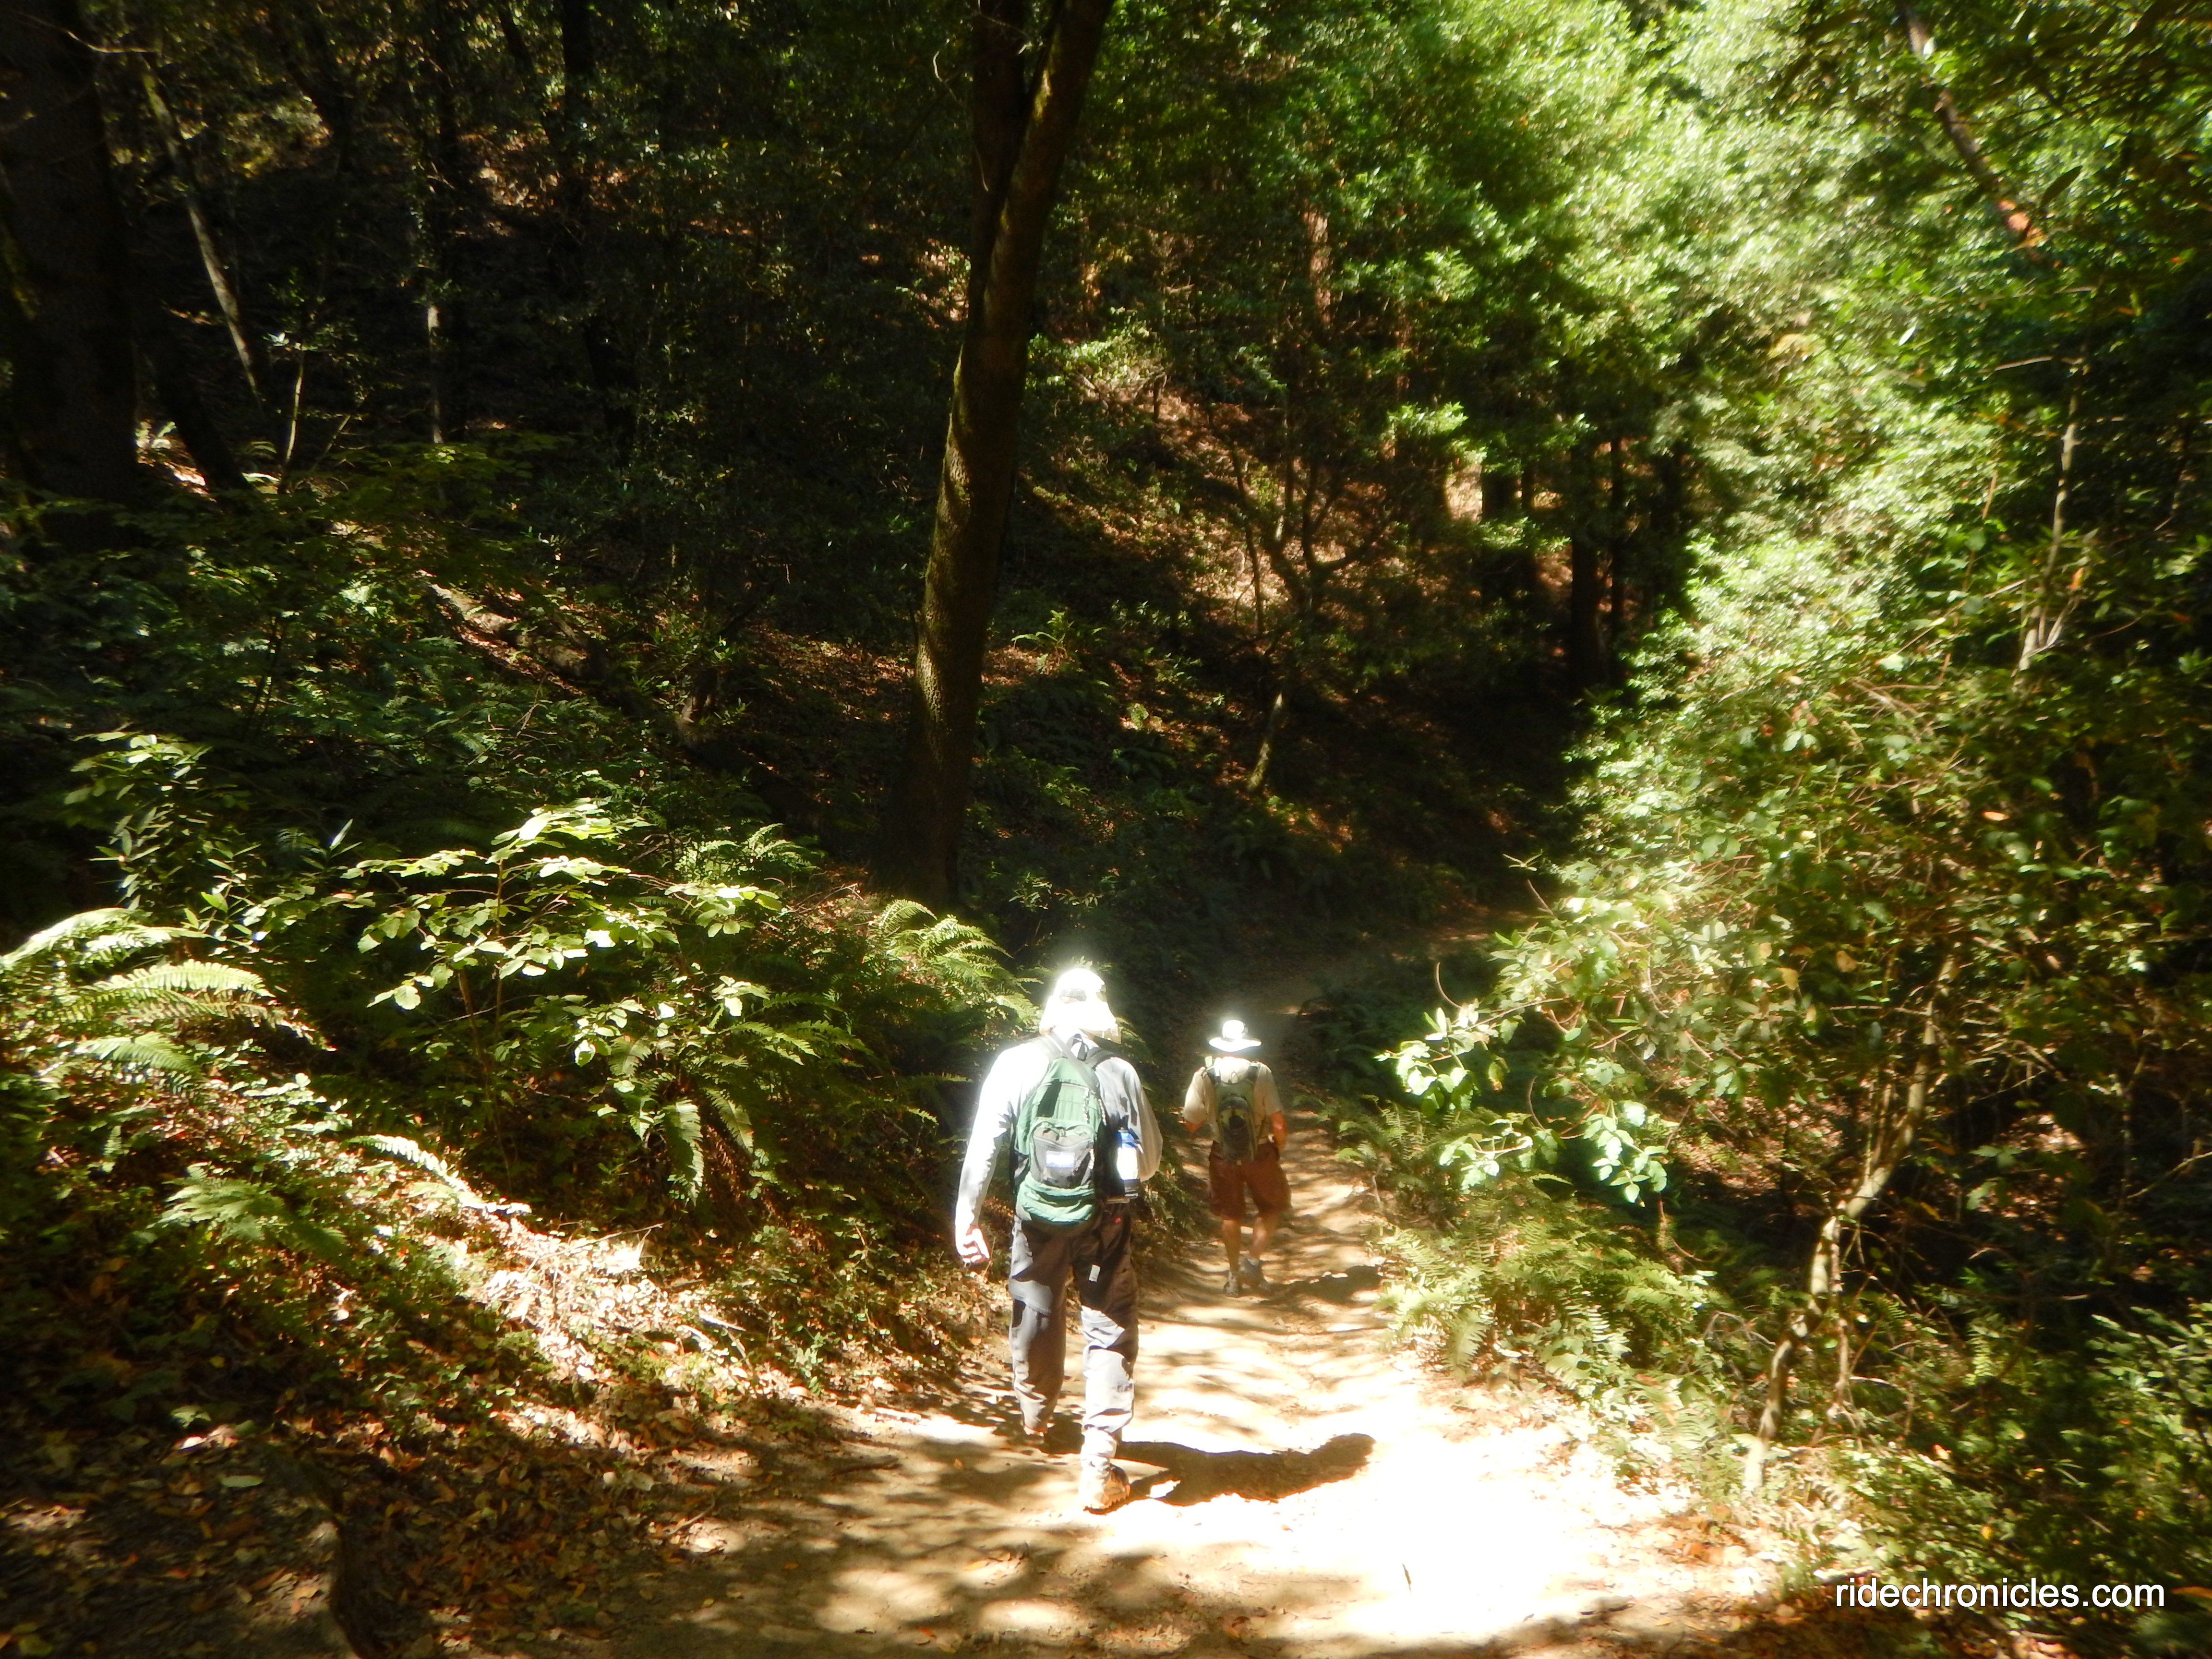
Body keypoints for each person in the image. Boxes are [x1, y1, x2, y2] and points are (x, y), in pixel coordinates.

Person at [953, 968, 1161, 1514]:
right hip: (1106, 1222)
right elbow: (1149, 1162)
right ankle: (1099, 1464)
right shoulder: (1119, 1070)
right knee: (1109, 1325)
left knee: (1036, 1306)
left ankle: (1036, 1413)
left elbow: (984, 1145)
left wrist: (966, 1219)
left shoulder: (1016, 1062)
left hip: (1037, 1218)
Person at [1182, 1018, 1288, 1294]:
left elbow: (1191, 1123)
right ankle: (1252, 1262)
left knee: (1230, 1216)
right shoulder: (1261, 1073)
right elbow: (1278, 1123)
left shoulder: (1204, 1075)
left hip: (1223, 1153)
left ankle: (1233, 1278)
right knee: (1272, 1208)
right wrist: (1279, 1147)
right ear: (1247, 1044)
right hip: (1260, 1152)